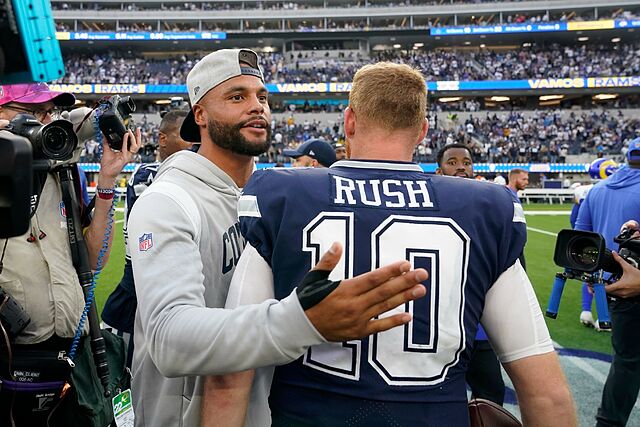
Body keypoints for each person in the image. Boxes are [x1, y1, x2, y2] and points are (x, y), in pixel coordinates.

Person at [207, 62, 576, 426]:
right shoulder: (485, 209)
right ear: (422, 131)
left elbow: (230, 374)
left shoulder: (283, 195)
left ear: (349, 122)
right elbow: (546, 393)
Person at [127, 49, 427, 427]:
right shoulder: (168, 201)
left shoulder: (271, 196)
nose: (257, 107)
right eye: (237, 97)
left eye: (262, 97)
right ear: (199, 115)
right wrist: (302, 321)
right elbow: (170, 340)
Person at [0, 82, 141, 426]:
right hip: (8, 356)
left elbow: (94, 263)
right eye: (33, 112)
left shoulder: (64, 170)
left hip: (70, 355)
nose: (46, 122)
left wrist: (107, 181)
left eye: (50, 112)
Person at [101, 110, 191, 367]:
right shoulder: (147, 176)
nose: (195, 143)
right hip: (138, 294)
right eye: (186, 136)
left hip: (162, 297)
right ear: (163, 139)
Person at [575, 138, 640, 427]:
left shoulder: (597, 190)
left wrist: (593, 274)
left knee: (625, 363)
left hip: (614, 286)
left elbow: (580, 237)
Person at [435, 143, 506, 406]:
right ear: (439, 170)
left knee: (491, 395)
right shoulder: (427, 206)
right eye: (452, 162)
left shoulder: (489, 206)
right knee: (440, 396)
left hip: (478, 323)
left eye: (466, 162)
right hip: (440, 321)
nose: (461, 167)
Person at [573, 158, 619, 328]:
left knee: (591, 276)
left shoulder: (589, 190)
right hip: (611, 241)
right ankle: (604, 318)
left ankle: (586, 311)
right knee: (611, 278)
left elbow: (576, 219)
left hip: (589, 240)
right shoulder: (617, 189)